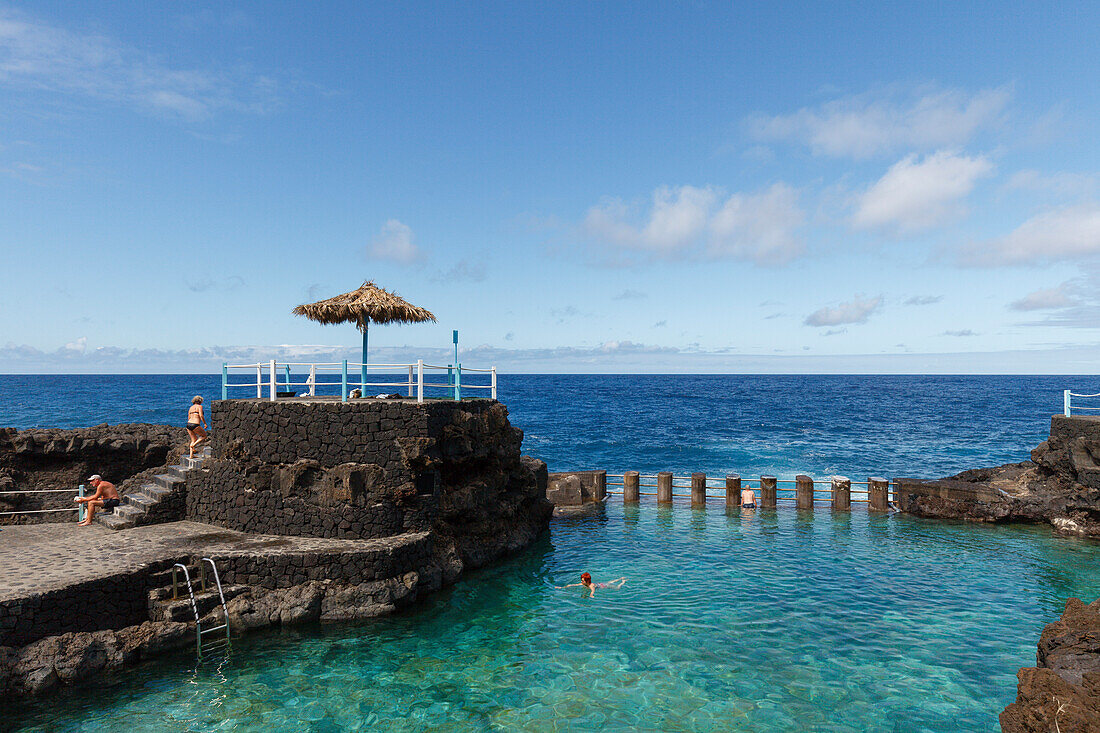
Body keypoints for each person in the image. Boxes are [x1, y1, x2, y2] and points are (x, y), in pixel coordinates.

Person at [556, 572, 627, 597]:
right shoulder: (583, 584)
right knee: (609, 582)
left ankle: (622, 581)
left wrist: (591, 595)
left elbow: (593, 590)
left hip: (603, 586)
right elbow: (573, 585)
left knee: (617, 588)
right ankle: (620, 578)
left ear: (587, 581)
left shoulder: (591, 585)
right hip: (600, 584)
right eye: (581, 580)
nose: (581, 581)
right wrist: (562, 587)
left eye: (583, 580)